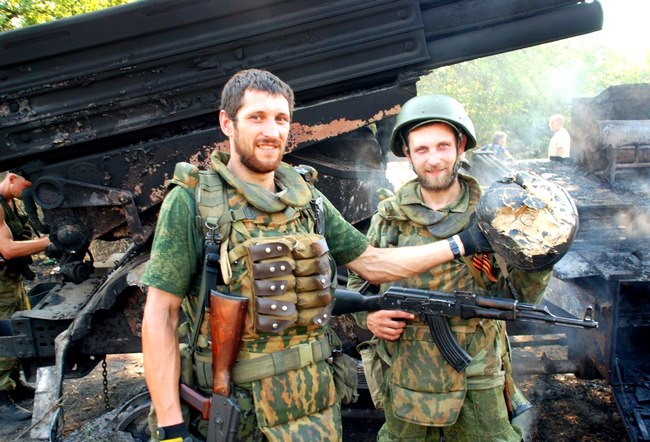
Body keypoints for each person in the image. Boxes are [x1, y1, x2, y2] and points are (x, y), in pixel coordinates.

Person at [140, 70, 491, 442]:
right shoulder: (194, 201)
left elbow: (373, 263)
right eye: (256, 118)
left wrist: (461, 243)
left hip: (314, 410)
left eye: (280, 119)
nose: (271, 131)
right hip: (240, 411)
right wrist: (171, 427)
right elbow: (161, 313)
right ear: (227, 123)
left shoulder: (309, 200)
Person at [347, 94, 553, 441]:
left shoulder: (494, 213)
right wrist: (367, 317)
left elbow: (518, 294)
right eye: (422, 149)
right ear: (408, 155)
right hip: (408, 372)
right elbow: (359, 281)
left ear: (460, 147)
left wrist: (541, 256)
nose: (434, 160)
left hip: (480, 373)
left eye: (443, 146)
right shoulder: (391, 217)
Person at [0, 171, 51, 422]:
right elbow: (7, 249)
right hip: (0, 284)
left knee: (17, 330)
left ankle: (14, 384)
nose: (28, 190)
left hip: (11, 279)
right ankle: (0, 400)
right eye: (25, 185)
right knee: (3, 337)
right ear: (11, 178)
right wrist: (49, 241)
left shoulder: (11, 203)